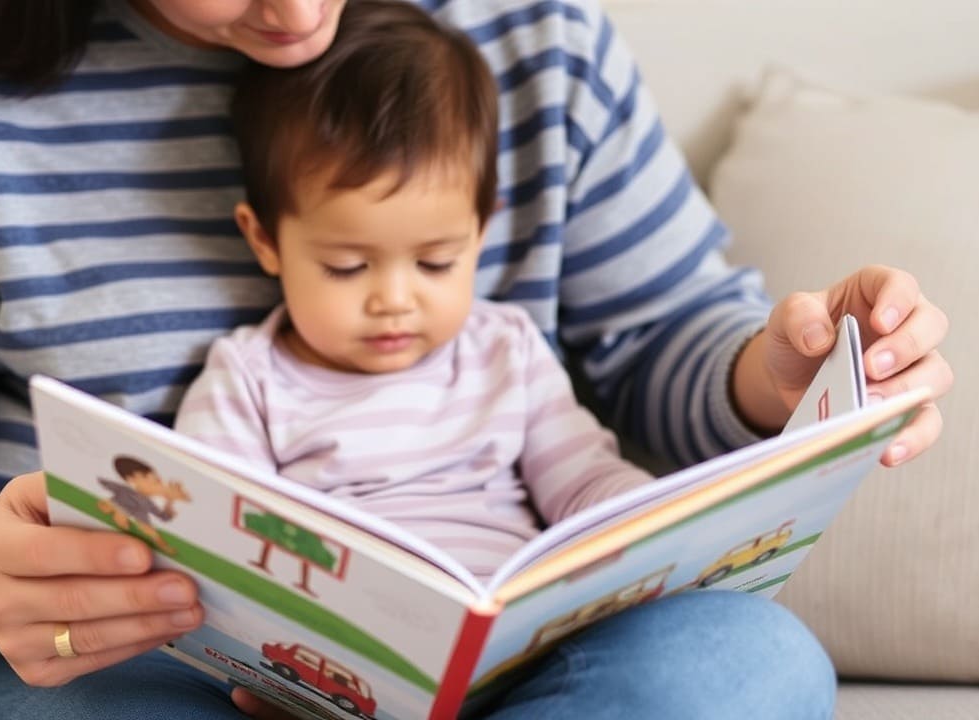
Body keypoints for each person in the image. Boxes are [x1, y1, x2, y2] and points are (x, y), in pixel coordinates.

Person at [0, 0, 952, 718]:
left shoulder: (536, 38)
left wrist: (783, 379)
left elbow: (655, 348)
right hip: (114, 665)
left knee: (741, 668)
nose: (299, 18)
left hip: (498, 662)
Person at [174, 0, 657, 588]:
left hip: (515, 627)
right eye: (347, 267)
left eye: (436, 262)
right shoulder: (247, 381)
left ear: (480, 231)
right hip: (340, 646)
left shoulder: (508, 352)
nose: (394, 300)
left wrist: (649, 521)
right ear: (265, 239)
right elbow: (216, 535)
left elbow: (584, 481)